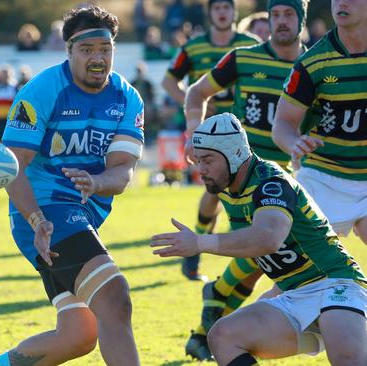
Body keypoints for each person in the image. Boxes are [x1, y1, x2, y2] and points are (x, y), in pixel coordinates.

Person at [0, 6, 144, 366]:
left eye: (105, 49)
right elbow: (13, 168)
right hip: (43, 213)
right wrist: (37, 221)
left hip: (81, 215)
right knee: (115, 297)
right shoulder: (42, 90)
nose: (98, 58)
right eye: (87, 51)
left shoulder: (127, 98)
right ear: (68, 51)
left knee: (79, 335)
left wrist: (99, 181)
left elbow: (122, 172)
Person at [151, 113, 367, 366]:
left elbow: (268, 238)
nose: (200, 170)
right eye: (198, 161)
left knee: (347, 359)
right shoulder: (230, 188)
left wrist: (200, 243)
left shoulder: (270, 182)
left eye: (208, 160)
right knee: (223, 335)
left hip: (336, 284)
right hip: (292, 293)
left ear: (234, 155)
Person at [182, 0, 309, 359]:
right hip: (241, 177)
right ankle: (216, 318)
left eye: (289, 15)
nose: (281, 22)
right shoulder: (243, 57)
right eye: (276, 15)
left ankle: (212, 312)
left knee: (261, 261)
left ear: (301, 19)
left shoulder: (314, 65)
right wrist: (194, 131)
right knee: (266, 253)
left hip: (292, 180)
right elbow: (196, 92)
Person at [162, 0, 259, 281]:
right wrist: (195, 102)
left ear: (234, 13)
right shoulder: (193, 47)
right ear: (210, 13)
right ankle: (201, 245)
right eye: (216, 8)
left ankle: (210, 245)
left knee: (244, 186)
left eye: (226, 8)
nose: (221, 13)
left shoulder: (249, 43)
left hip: (249, 130)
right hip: (207, 131)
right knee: (215, 189)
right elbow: (169, 82)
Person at [273, 0, 367, 246]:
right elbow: (282, 123)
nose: (342, 2)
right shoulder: (313, 62)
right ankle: (220, 287)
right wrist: (294, 143)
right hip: (323, 177)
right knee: (297, 272)